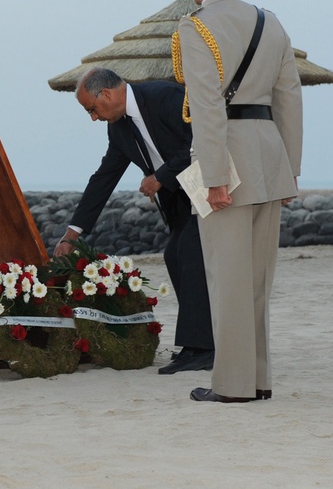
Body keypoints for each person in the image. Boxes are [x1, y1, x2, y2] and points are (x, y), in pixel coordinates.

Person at [172, 0, 302, 403]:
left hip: (225, 158)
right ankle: (259, 379)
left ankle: (232, 386)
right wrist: (291, 169)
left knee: (227, 280)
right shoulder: (271, 22)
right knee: (258, 282)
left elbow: (207, 106)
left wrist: (214, 177)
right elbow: (289, 98)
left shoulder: (197, 26)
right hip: (269, 156)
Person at [54, 67, 215, 374]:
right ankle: (200, 345)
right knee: (175, 256)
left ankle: (203, 348)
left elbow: (199, 142)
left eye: (92, 109)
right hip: (178, 201)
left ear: (108, 94)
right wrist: (72, 233)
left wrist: (160, 177)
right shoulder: (118, 129)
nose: (93, 118)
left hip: (208, 190)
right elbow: (104, 178)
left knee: (188, 255)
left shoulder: (165, 97)